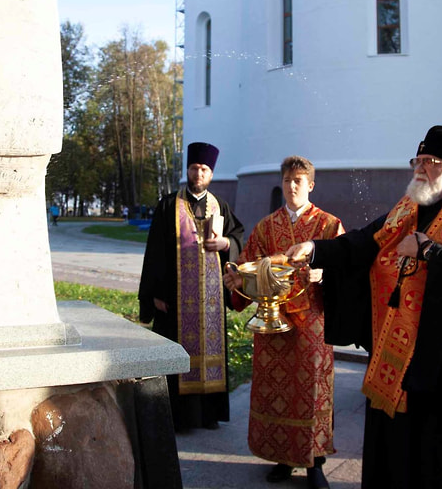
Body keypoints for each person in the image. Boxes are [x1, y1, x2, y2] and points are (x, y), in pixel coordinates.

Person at [285, 125, 442, 489]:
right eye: (418, 160)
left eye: (431, 162)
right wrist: (316, 249)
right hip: (395, 356)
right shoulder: (409, 209)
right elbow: (363, 242)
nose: (421, 168)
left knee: (435, 459)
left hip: (441, 368)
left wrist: (430, 252)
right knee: (394, 454)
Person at [223, 156, 343, 489]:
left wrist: (327, 274)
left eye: (299, 181)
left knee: (312, 391)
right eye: (288, 180)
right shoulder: (265, 227)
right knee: (275, 391)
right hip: (271, 324)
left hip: (312, 325)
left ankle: (314, 464)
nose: (292, 186)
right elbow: (247, 269)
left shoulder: (329, 226)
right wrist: (237, 283)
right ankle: (281, 457)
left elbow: (347, 270)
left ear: (311, 185)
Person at [139, 141, 245, 431]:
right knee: (178, 353)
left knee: (210, 354)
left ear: (211, 174)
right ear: (188, 169)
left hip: (210, 303)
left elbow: (239, 236)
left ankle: (208, 415)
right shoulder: (168, 205)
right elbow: (155, 254)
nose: (199, 173)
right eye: (195, 168)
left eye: (205, 169)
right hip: (175, 300)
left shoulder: (220, 205)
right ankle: (181, 418)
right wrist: (153, 296)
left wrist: (226, 244)